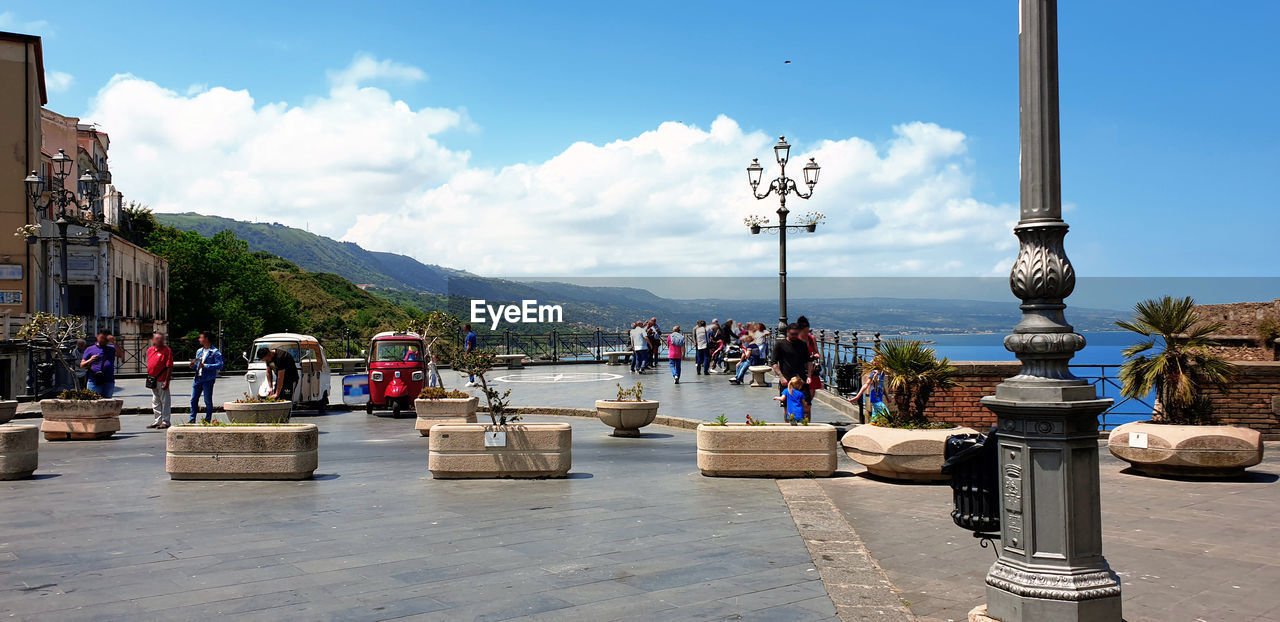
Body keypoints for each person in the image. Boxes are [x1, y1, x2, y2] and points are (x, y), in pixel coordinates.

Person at [770, 323, 813, 416]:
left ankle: (807, 427)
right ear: (787, 332)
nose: (794, 336)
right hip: (786, 377)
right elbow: (773, 362)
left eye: (796, 334)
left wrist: (809, 376)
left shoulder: (802, 344)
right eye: (792, 334)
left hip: (801, 378)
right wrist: (781, 377)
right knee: (787, 406)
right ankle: (789, 427)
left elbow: (809, 361)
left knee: (807, 404)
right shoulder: (780, 344)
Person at [189, 331, 224, 423]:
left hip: (208, 379)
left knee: (207, 399)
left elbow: (220, 365)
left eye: (201, 337)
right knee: (193, 399)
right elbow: (198, 364)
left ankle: (208, 419)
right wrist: (193, 365)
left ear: (206, 339)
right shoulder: (199, 351)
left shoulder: (215, 352)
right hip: (198, 377)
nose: (199, 339)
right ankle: (192, 418)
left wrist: (206, 366)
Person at [144, 332, 174, 430]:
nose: (159, 340)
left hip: (162, 379)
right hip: (153, 379)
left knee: (165, 401)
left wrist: (167, 381)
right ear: (153, 340)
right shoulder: (150, 350)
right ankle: (158, 421)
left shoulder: (166, 350)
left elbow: (169, 366)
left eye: (161, 339)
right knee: (155, 401)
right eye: (157, 339)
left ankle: (165, 421)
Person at [80, 329, 116, 398]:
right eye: (102, 338)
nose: (103, 340)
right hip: (94, 380)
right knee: (94, 401)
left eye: (106, 339)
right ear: (97, 337)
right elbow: (82, 365)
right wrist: (90, 360)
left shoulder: (112, 349)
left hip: (109, 380)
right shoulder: (90, 349)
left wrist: (114, 342)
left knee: (108, 403)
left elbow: (122, 355)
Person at [797, 316, 823, 395]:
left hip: (811, 367)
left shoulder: (811, 338)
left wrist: (815, 355)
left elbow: (817, 352)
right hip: (799, 367)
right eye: (805, 332)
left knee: (812, 390)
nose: (806, 334)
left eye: (807, 331)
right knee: (800, 389)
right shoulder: (796, 339)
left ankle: (807, 406)